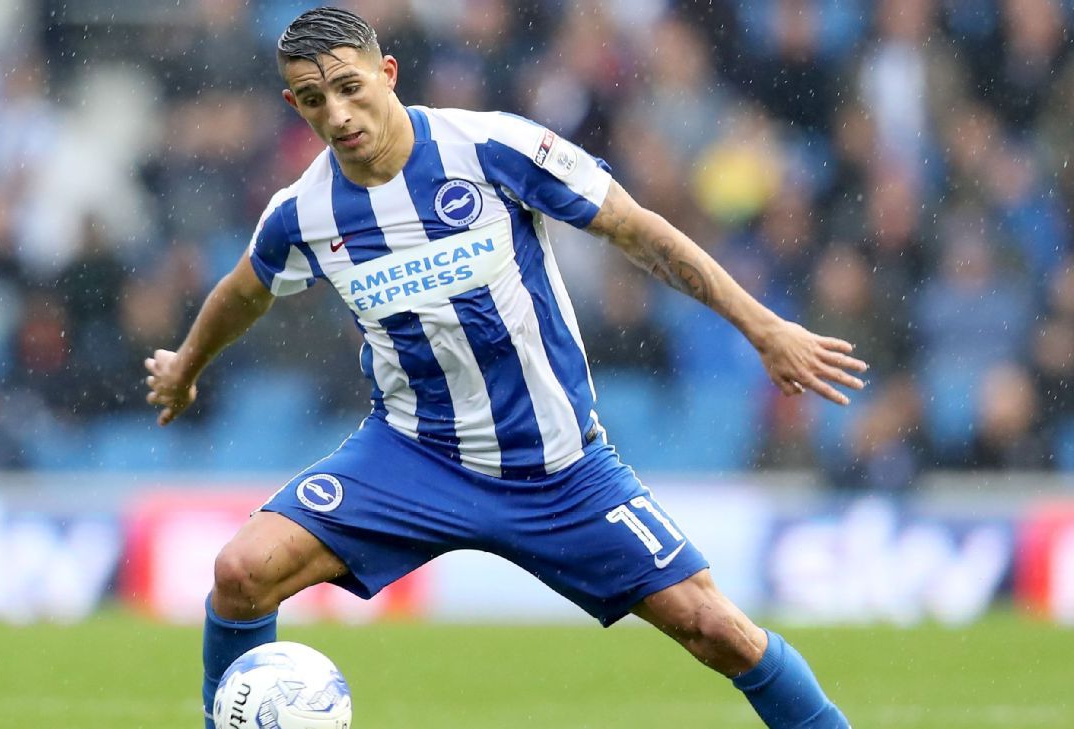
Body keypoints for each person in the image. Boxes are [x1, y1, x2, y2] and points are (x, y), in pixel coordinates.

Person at [144, 8, 863, 728]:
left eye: (349, 87)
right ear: (292, 105)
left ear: (387, 73)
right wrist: (186, 363)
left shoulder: (492, 147)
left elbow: (634, 228)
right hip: (412, 458)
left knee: (716, 629)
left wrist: (764, 327)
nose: (337, 114)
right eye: (312, 99)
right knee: (241, 573)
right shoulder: (305, 212)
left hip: (556, 467)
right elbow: (246, 289)